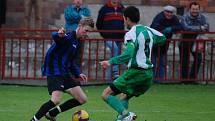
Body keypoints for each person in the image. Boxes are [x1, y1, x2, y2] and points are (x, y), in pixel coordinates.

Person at [100, 6, 166, 121]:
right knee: (124, 96)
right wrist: (147, 44)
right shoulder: (147, 30)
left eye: (123, 18)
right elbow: (162, 38)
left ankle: (126, 115)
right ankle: (121, 119)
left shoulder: (130, 33)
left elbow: (129, 53)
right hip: (148, 75)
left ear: (127, 18)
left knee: (106, 94)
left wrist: (110, 62)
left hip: (136, 72)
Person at [30, 18, 94, 121]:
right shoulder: (68, 36)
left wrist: (78, 73)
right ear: (80, 26)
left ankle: (52, 114)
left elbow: (72, 62)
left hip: (64, 72)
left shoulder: (77, 42)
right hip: (54, 70)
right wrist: (58, 34)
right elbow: (57, 38)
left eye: (89, 32)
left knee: (82, 99)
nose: (86, 33)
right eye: (86, 30)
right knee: (55, 100)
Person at [150, 5, 182, 83]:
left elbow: (179, 26)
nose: (169, 14)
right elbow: (153, 26)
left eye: (171, 12)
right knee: (153, 62)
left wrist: (171, 29)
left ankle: (160, 79)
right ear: (164, 12)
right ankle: (151, 79)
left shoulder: (174, 18)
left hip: (165, 44)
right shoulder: (159, 17)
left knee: (162, 62)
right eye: (167, 12)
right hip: (155, 43)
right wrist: (164, 29)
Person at [180, 1, 209, 80]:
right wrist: (200, 28)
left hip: (197, 40)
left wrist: (193, 28)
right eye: (193, 9)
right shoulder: (184, 17)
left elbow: (207, 27)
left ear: (199, 9)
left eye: (196, 9)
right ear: (190, 9)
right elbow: (185, 28)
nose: (195, 11)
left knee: (198, 59)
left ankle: (192, 79)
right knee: (184, 60)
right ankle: (184, 79)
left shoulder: (203, 17)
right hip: (185, 40)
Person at [96, 0, 125, 80]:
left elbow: (125, 21)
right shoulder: (104, 9)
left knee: (115, 56)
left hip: (119, 37)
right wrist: (104, 35)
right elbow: (98, 24)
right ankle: (115, 73)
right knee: (114, 49)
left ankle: (109, 79)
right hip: (108, 37)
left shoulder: (122, 8)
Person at [64, 0, 91, 68]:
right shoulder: (68, 9)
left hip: (81, 35)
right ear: (73, 1)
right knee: (69, 53)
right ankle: (68, 72)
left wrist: (74, 17)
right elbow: (68, 18)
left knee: (79, 55)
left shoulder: (86, 10)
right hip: (70, 34)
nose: (78, 1)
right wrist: (80, 17)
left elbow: (88, 20)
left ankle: (77, 73)